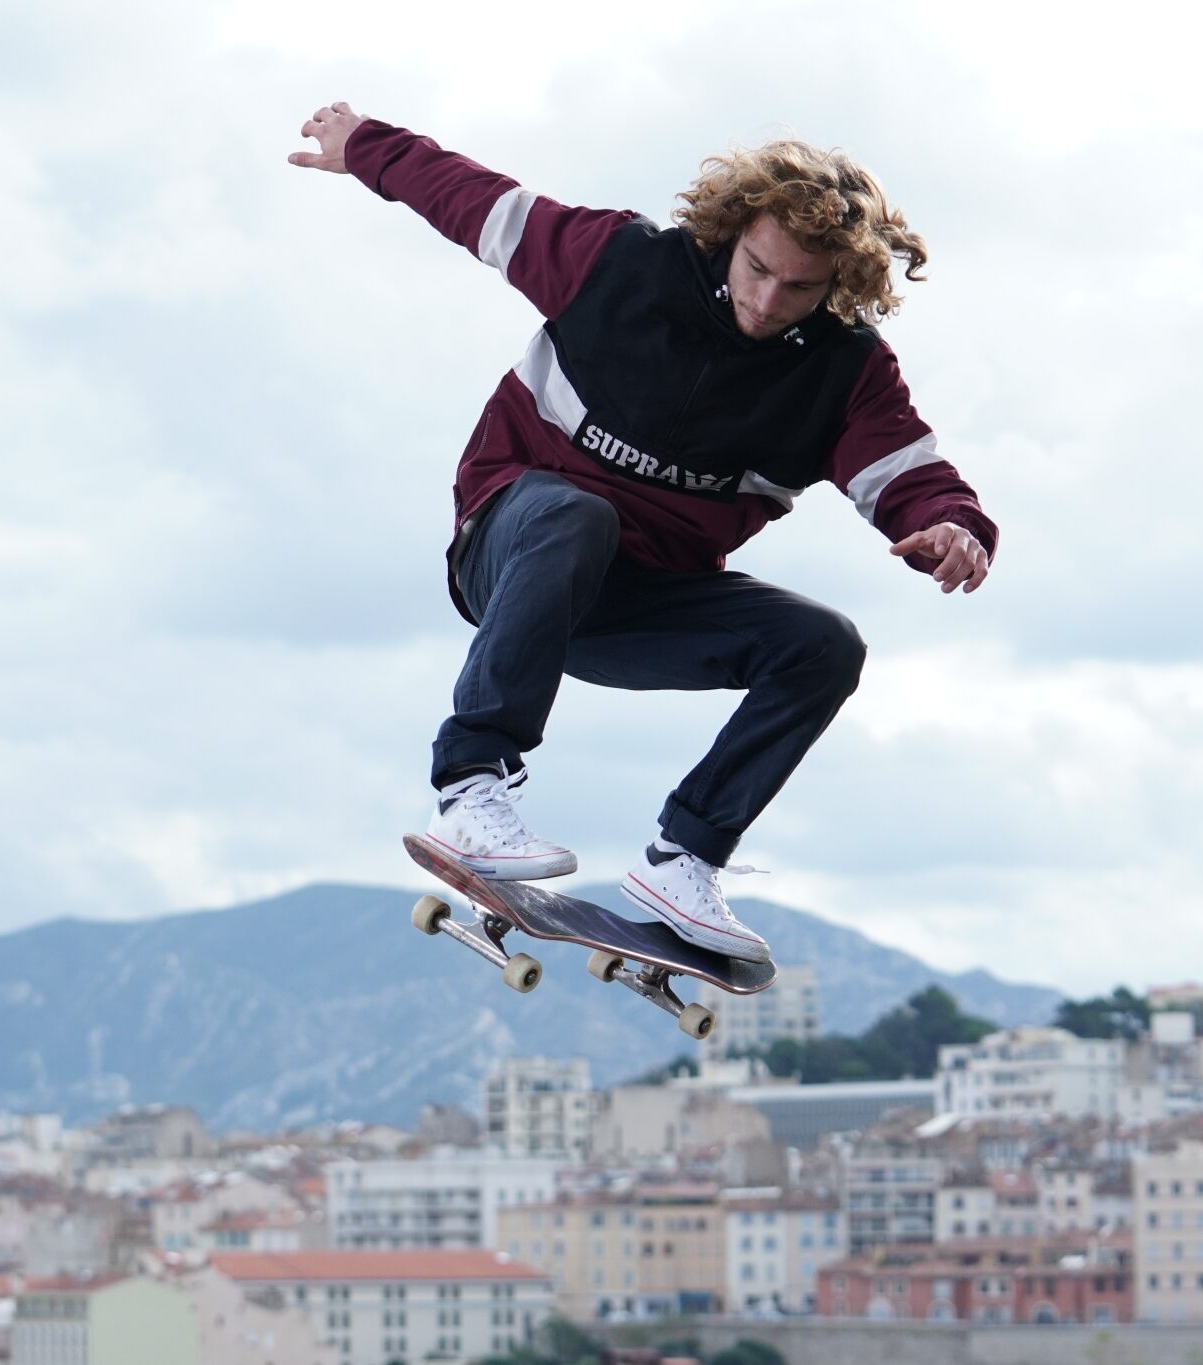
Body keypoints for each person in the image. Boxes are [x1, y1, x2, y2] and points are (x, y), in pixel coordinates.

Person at [290, 103, 997, 963]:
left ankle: (684, 860)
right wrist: (365, 146)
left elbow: (908, 473)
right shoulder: (615, 264)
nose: (766, 302)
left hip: (639, 603)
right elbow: (479, 204)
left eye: (798, 289)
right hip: (512, 550)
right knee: (576, 512)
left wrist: (952, 526)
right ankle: (472, 784)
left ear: (837, 287)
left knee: (823, 645)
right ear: (731, 233)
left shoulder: (844, 374)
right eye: (756, 268)